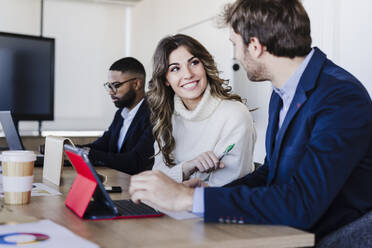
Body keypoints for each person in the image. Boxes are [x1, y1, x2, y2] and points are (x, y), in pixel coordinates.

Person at [129, 0, 372, 242]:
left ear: (254, 46)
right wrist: (211, 195)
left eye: (235, 44)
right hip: (290, 233)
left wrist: (188, 200)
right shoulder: (282, 93)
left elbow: (302, 204)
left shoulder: (340, 97)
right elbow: (271, 172)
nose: (236, 55)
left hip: (331, 238)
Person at [147, 34, 256, 186]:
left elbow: (223, 188)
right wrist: (186, 168)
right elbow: (158, 176)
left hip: (215, 208)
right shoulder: (167, 117)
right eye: (175, 68)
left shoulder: (234, 114)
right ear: (165, 79)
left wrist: (174, 186)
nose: (188, 74)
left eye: (194, 63)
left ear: (205, 65)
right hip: (171, 206)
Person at [82, 57, 154, 174]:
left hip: (138, 186)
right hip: (118, 180)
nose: (111, 91)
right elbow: (101, 145)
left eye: (116, 85)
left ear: (136, 84)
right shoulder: (120, 114)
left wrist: (86, 152)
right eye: (109, 86)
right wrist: (69, 149)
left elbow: (134, 162)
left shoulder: (153, 115)